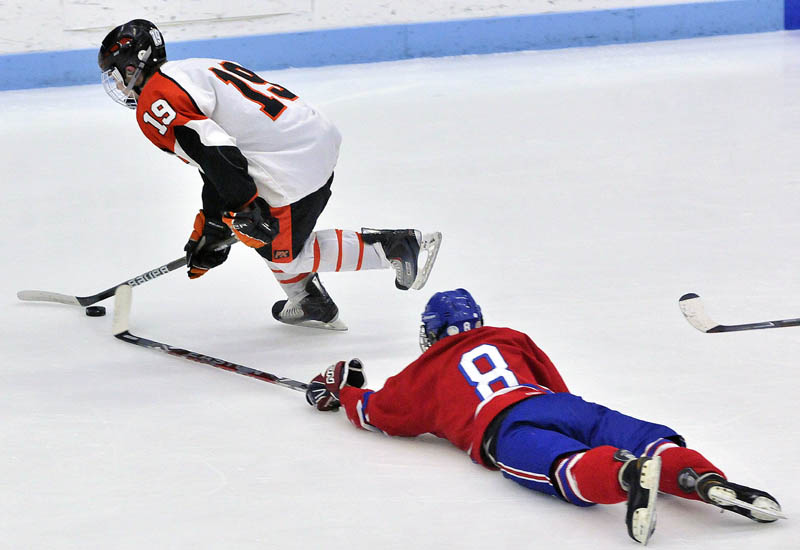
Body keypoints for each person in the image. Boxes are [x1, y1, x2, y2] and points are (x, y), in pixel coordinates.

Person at [305, 288, 785, 545]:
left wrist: (345, 394)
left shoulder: (425, 369)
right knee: (647, 437)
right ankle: (702, 479)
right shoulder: (509, 336)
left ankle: (624, 474)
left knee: (561, 466)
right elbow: (551, 377)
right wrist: (564, 410)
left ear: (433, 332)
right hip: (559, 404)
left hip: (506, 426)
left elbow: (381, 413)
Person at [97, 19, 441, 330]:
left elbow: (214, 147)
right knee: (257, 228)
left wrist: (242, 208)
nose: (118, 84)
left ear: (133, 64)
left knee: (280, 248)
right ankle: (308, 301)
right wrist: (215, 222)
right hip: (306, 138)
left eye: (115, 73)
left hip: (288, 162)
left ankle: (396, 247)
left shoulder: (153, 102)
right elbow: (215, 156)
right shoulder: (189, 70)